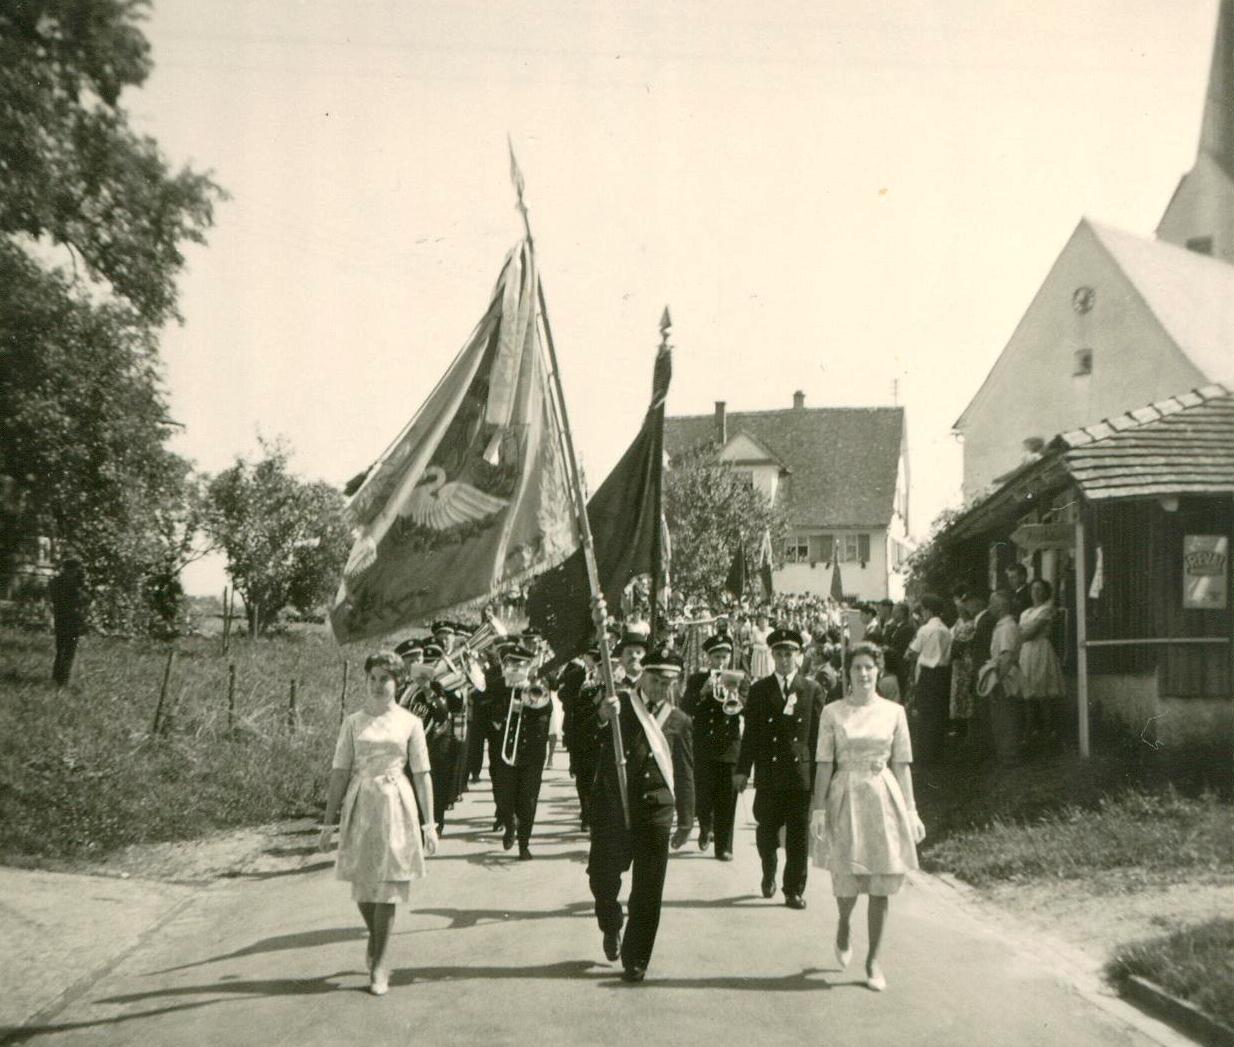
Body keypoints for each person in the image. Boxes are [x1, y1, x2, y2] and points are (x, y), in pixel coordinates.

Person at [318, 650, 437, 996]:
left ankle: (380, 964)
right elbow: (339, 772)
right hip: (361, 803)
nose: (377, 685)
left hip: (396, 803)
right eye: (372, 678)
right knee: (363, 884)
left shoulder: (409, 722)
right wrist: (328, 823)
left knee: (387, 886)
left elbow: (422, 773)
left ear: (397, 682)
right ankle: (375, 936)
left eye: (384, 678)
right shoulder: (353, 722)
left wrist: (430, 825)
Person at [809, 642, 925, 992]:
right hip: (844, 794)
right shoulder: (833, 712)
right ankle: (844, 923)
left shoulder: (894, 712)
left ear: (878, 671)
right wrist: (818, 809)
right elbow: (824, 764)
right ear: (847, 674)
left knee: (881, 881)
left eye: (869, 668)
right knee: (846, 880)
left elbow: (902, 765)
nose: (862, 674)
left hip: (882, 795)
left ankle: (873, 960)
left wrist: (911, 810)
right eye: (856, 668)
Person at [588, 638, 694, 983]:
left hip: (655, 810)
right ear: (642, 676)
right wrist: (601, 718)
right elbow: (582, 738)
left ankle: (636, 958)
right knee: (602, 877)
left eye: (667, 683)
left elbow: (685, 771)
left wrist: (687, 818)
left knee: (648, 889)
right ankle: (611, 922)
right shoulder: (617, 705)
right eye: (654, 681)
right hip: (614, 805)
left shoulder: (678, 720)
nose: (660, 688)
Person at [734, 627, 824, 910]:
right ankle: (768, 870)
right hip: (769, 774)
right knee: (766, 832)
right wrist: (742, 770)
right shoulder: (760, 690)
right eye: (780, 654)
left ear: (799, 656)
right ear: (771, 655)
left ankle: (793, 890)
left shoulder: (812, 690)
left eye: (790, 654)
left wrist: (822, 774)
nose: (785, 659)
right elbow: (750, 734)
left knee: (798, 836)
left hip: (799, 775)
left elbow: (819, 737)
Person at [484, 643, 552, 859]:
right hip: (505, 751)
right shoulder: (498, 684)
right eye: (513, 663)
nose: (516, 667)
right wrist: (505, 688)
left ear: (528, 665)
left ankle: (524, 844)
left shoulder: (539, 683)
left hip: (531, 752)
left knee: (529, 799)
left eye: (521, 664)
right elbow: (482, 699)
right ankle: (509, 822)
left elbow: (546, 709)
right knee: (505, 795)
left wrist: (528, 688)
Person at [689, 635, 744, 860]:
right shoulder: (697, 679)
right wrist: (703, 691)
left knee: (727, 799)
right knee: (703, 795)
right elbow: (686, 708)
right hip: (704, 746)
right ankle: (705, 826)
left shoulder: (740, 678)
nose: (720, 661)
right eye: (716, 657)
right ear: (708, 657)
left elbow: (747, 708)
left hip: (729, 748)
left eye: (724, 656)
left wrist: (735, 695)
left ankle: (724, 846)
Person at [1018, 579, 1066, 751]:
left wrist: (1022, 632)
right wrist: (1022, 632)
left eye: (1040, 589)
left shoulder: (1047, 609)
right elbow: (1022, 633)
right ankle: (1029, 733)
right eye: (1033, 589)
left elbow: (1030, 632)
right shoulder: (1025, 612)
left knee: (1043, 694)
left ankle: (1048, 732)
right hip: (1026, 653)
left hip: (1040, 650)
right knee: (1028, 695)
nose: (1036, 592)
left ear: (1046, 592)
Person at [906, 594, 952, 765]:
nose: (922, 613)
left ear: (928, 611)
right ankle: (937, 753)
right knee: (939, 714)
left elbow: (912, 652)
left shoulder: (925, 630)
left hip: (928, 673)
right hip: (943, 674)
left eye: (923, 610)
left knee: (925, 715)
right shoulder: (946, 629)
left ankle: (925, 755)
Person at [986, 590, 1023, 763]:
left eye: (992, 604)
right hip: (1002, 673)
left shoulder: (1007, 628)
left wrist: (996, 680)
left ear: (1000, 607)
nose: (989, 607)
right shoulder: (1002, 626)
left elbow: (1007, 657)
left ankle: (1009, 755)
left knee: (1007, 715)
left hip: (1006, 676)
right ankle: (1005, 754)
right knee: (1001, 715)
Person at [48, 558, 90, 688]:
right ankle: (63, 680)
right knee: (67, 651)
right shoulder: (73, 584)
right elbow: (83, 599)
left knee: (62, 650)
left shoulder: (57, 582)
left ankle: (58, 678)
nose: (78, 572)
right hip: (71, 620)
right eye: (77, 569)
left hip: (64, 620)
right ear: (71, 569)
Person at [948, 591, 980, 740]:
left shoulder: (970, 624)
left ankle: (967, 730)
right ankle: (959, 727)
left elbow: (957, 643)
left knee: (965, 694)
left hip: (965, 662)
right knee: (957, 694)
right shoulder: (958, 622)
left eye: (961, 608)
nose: (959, 611)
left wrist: (952, 644)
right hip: (957, 663)